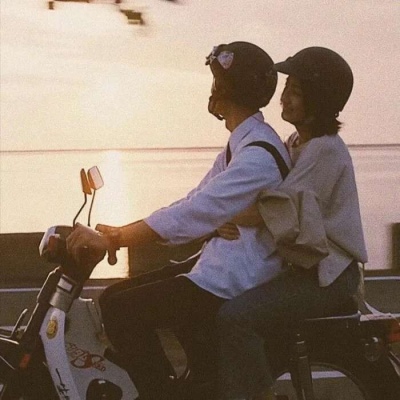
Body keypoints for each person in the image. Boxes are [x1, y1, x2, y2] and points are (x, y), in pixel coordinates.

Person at [66, 41, 292, 400]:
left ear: (229, 89)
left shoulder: (257, 156)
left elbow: (194, 212)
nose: (212, 89)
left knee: (122, 310)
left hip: (235, 278)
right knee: (113, 297)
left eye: (217, 82)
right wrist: (119, 231)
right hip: (220, 265)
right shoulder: (244, 144)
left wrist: (116, 240)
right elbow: (194, 203)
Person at [216, 47, 368, 400]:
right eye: (287, 87)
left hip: (326, 275)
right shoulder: (297, 143)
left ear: (319, 101)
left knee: (234, 318)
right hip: (303, 266)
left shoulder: (324, 150)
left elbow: (275, 210)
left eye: (295, 91)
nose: (284, 97)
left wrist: (217, 214)